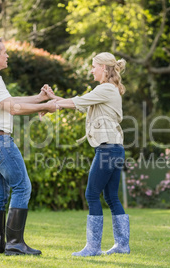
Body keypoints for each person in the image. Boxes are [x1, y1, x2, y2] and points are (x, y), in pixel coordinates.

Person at [0, 38, 56, 256]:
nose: (8, 55)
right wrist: (46, 105)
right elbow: (14, 108)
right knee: (22, 186)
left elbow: (11, 100)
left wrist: (39, 99)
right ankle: (14, 243)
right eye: (5, 52)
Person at [43, 52, 130, 257]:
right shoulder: (107, 90)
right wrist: (54, 99)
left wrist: (49, 105)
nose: (91, 70)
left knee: (91, 194)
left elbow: (76, 102)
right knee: (110, 196)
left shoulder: (106, 89)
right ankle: (122, 245)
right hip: (115, 149)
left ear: (104, 68)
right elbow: (80, 103)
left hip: (108, 149)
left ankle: (93, 248)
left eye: (94, 66)